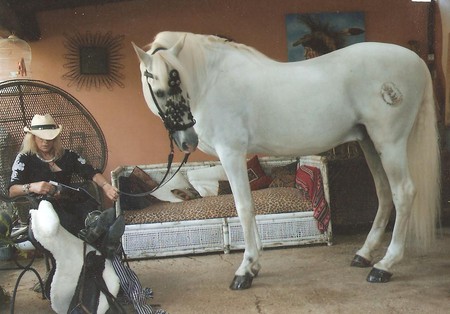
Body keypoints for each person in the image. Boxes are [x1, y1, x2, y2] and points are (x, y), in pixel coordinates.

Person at [8, 113, 119, 235]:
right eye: (41, 138)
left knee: (83, 199)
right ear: (33, 137)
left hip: (67, 199)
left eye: (49, 138)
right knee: (56, 212)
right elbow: (12, 190)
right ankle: (87, 233)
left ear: (55, 138)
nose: (45, 142)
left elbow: (90, 172)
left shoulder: (67, 155)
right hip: (42, 206)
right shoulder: (24, 158)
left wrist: (106, 186)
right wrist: (33, 187)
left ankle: (95, 224)